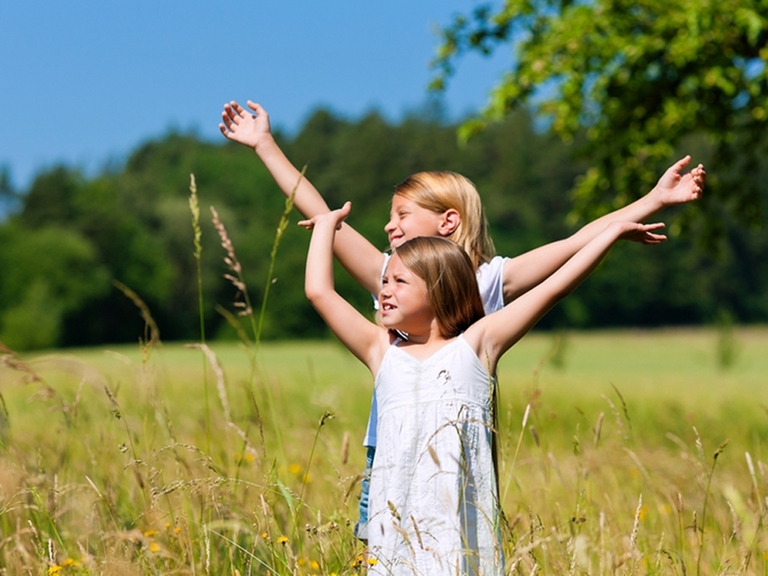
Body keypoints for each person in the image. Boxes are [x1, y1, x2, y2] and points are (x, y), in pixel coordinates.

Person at [219, 100, 706, 539]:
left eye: (402, 214)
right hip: (389, 452)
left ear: (448, 221)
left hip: (462, 452)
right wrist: (265, 145)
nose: (389, 225)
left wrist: (652, 202)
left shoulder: (494, 280)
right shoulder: (389, 277)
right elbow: (321, 214)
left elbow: (572, 247)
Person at [301, 201, 669, 575]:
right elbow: (319, 292)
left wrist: (611, 234)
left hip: (460, 537)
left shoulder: (478, 345)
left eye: (399, 282)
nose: (385, 292)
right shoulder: (381, 350)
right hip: (394, 534)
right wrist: (325, 227)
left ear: (438, 288)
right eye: (384, 281)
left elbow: (555, 287)